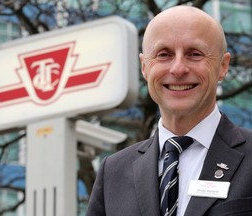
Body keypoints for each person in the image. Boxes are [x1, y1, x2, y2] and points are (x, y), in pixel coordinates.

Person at [86, 5, 252, 216]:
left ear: (223, 66)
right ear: (145, 67)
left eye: (194, 54)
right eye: (164, 55)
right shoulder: (113, 172)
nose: (178, 68)